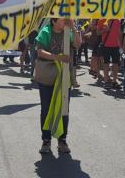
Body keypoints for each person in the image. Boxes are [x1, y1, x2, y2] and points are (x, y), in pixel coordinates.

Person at [35, 18, 81, 154]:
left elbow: (77, 44)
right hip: (47, 77)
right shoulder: (46, 31)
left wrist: (73, 28)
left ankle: (62, 140)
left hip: (64, 77)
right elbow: (40, 52)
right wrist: (58, 58)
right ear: (54, 21)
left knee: (64, 109)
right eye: (63, 19)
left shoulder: (69, 31)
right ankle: (46, 140)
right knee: (46, 108)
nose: (66, 21)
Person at [97, 19, 122, 88]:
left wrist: (121, 45)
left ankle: (114, 81)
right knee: (106, 63)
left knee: (116, 63)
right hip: (106, 45)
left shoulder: (117, 20)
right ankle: (106, 81)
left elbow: (119, 33)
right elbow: (98, 33)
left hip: (116, 46)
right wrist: (105, 30)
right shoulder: (101, 20)